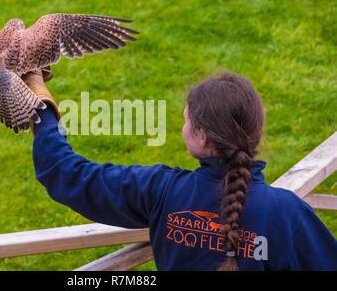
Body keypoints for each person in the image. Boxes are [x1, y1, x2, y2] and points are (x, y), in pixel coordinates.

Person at [22, 70, 337, 271]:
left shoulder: (163, 191)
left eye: (186, 119)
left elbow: (66, 173)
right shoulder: (287, 213)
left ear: (199, 137)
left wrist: (40, 103)